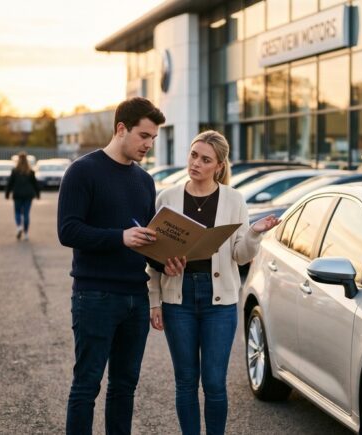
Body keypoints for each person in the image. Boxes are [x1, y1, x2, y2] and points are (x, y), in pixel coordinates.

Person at [57, 97, 180, 435]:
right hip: (95, 295)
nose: (149, 145)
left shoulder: (144, 181)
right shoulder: (82, 171)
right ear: (121, 128)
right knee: (87, 385)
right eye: (144, 136)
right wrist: (119, 238)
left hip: (135, 298)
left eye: (153, 138)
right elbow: (67, 231)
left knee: (124, 387)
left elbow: (144, 239)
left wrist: (165, 260)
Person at [147, 130, 280, 435]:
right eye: (194, 155)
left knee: (214, 382)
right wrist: (154, 300)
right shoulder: (167, 198)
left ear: (218, 166)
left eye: (205, 159)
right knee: (185, 380)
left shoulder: (233, 199)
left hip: (219, 301)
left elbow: (240, 255)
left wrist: (254, 233)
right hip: (177, 298)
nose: (195, 163)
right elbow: (154, 256)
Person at [5, 152, 40, 241]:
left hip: (17, 194)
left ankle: (19, 227)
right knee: (26, 213)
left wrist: (7, 193)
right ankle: (26, 233)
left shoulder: (14, 171)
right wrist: (38, 194)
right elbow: (35, 184)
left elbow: (10, 183)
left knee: (17, 212)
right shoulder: (30, 171)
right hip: (28, 195)